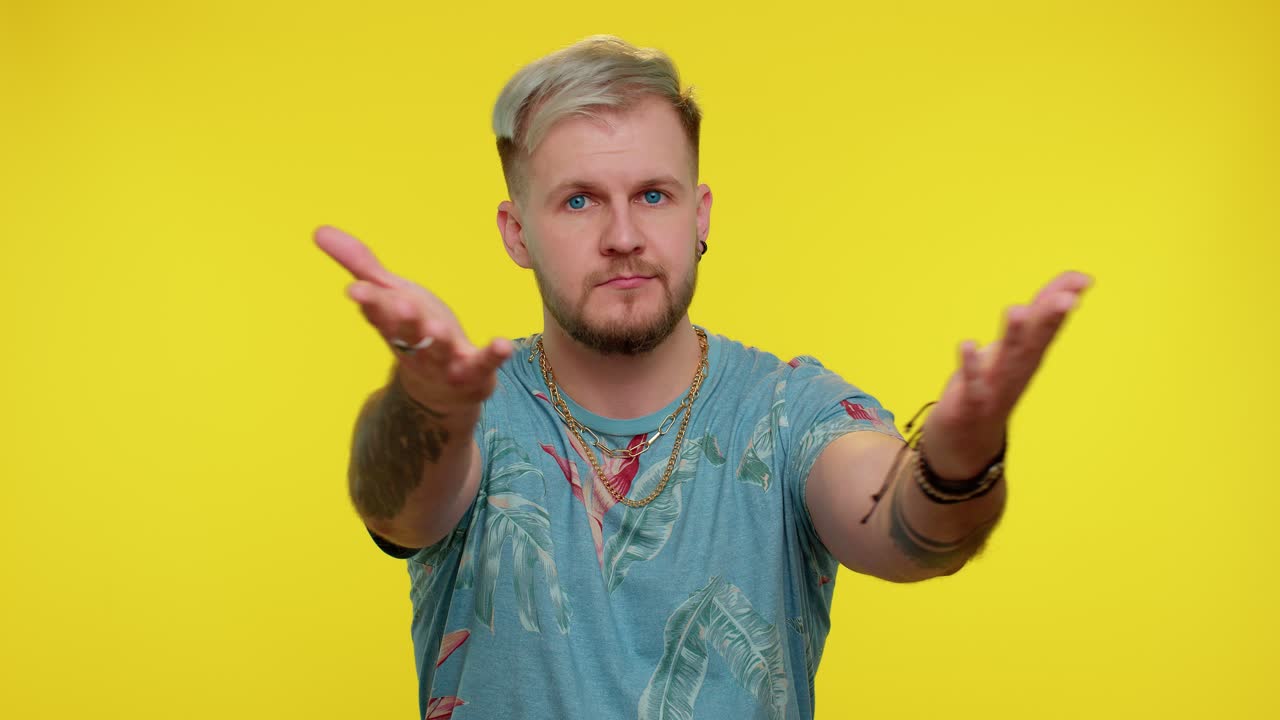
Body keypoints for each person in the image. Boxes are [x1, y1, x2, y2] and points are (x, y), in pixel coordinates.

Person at [316, 34, 1091, 720]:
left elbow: (907, 536)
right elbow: (400, 510)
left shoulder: (793, 412)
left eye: (653, 195)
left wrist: (958, 463)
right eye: (579, 201)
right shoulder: (472, 412)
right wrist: (426, 405)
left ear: (700, 216)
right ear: (517, 233)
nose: (624, 236)